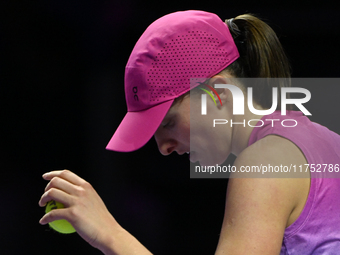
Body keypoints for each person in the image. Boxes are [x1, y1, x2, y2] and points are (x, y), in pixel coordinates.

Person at [38, 10, 340, 254]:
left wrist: (109, 234)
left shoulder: (265, 163)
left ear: (218, 93)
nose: (163, 148)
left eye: (167, 122)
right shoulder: (323, 140)